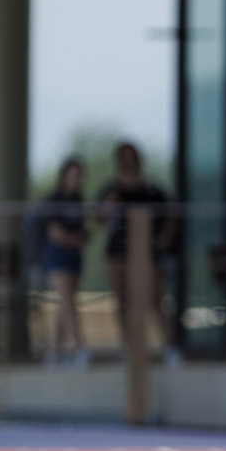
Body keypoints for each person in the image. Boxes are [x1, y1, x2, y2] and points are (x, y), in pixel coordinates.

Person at [95, 141, 182, 366]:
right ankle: (129, 347)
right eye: (124, 157)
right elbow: (98, 219)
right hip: (119, 251)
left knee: (154, 298)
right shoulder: (111, 189)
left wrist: (163, 240)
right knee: (123, 299)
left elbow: (170, 215)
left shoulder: (151, 188)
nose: (128, 162)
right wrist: (109, 206)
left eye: (131, 157)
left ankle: (170, 346)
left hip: (148, 251)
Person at [38, 157, 91, 369]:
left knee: (64, 303)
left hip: (74, 256)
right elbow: (56, 234)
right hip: (56, 256)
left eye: (79, 174)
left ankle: (53, 352)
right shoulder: (55, 199)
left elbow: (84, 232)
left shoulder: (78, 198)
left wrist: (77, 238)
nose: (77, 178)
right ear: (65, 174)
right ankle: (79, 347)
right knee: (68, 301)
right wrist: (74, 239)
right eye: (73, 173)